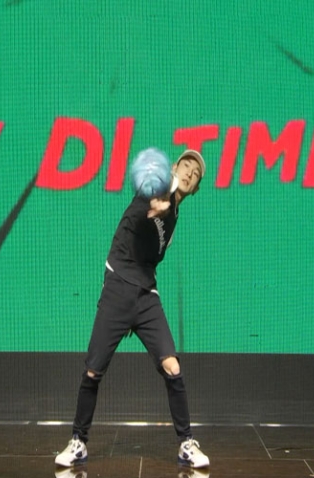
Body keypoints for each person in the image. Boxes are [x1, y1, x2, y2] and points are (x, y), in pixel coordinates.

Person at [55, 149, 210, 469]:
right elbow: (143, 206)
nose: (189, 173)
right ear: (174, 167)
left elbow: (150, 254)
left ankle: (186, 443)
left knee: (172, 366)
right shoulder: (157, 188)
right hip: (118, 288)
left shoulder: (175, 217)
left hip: (145, 296)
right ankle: (78, 441)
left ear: (195, 189)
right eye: (186, 166)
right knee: (93, 370)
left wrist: (164, 210)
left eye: (195, 175)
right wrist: (155, 204)